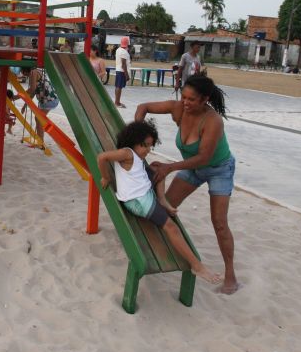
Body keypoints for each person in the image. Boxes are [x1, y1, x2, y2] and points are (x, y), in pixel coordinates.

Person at [134, 73, 239, 295]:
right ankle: (159, 252)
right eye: (184, 96)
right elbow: (143, 107)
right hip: (192, 168)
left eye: (192, 99)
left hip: (218, 168)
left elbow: (204, 157)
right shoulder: (178, 108)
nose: (186, 102)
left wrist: (169, 167)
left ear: (205, 99)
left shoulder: (213, 121)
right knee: (163, 208)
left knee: (219, 223)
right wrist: (137, 136)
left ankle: (230, 275)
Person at [97, 120, 222, 285]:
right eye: (144, 145)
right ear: (132, 142)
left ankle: (162, 199)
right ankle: (197, 266)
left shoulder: (136, 156)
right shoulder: (127, 153)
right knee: (171, 227)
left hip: (144, 194)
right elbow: (102, 157)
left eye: (150, 146)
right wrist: (106, 176)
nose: (148, 150)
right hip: (138, 201)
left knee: (159, 170)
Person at [22, 65, 59, 145]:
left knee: (39, 119)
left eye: (23, 73)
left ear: (24, 70)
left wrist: (17, 96)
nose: (24, 75)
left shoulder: (33, 72)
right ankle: (39, 139)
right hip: (45, 100)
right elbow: (32, 93)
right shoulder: (35, 72)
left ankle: (40, 141)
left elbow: (32, 89)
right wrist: (25, 106)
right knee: (38, 119)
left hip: (49, 100)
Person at [114, 36, 131, 108]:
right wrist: (126, 75)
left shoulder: (118, 49)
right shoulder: (124, 52)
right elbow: (124, 64)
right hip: (122, 71)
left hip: (118, 70)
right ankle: (117, 103)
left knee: (117, 86)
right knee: (119, 87)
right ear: (127, 43)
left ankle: (117, 101)